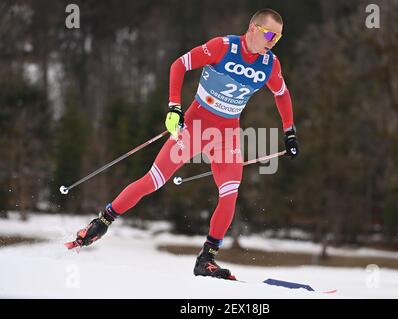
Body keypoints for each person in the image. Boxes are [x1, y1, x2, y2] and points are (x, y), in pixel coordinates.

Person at [70, 8, 299, 280]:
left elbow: (282, 95)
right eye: (270, 34)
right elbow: (179, 65)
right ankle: (102, 222)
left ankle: (206, 259)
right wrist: (174, 108)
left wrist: (290, 131)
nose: (273, 42)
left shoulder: (270, 65)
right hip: (195, 126)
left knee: (230, 195)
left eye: (278, 38)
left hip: (227, 135)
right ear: (253, 29)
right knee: (153, 180)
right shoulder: (222, 47)